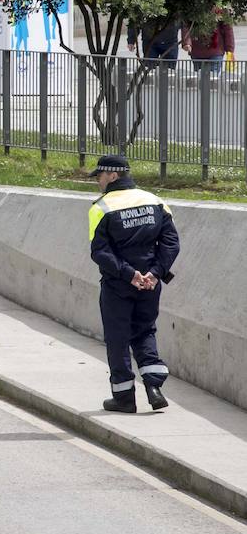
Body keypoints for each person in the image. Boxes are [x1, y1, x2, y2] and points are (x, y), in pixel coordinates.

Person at [88, 154, 180, 414]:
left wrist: (130, 275)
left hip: (119, 285)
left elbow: (100, 252)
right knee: (145, 331)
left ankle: (124, 398)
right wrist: (154, 273)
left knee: (118, 338)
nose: (98, 181)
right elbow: (171, 243)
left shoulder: (101, 207)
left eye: (100, 176)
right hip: (150, 284)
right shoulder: (155, 202)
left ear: (113, 176)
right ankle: (154, 387)